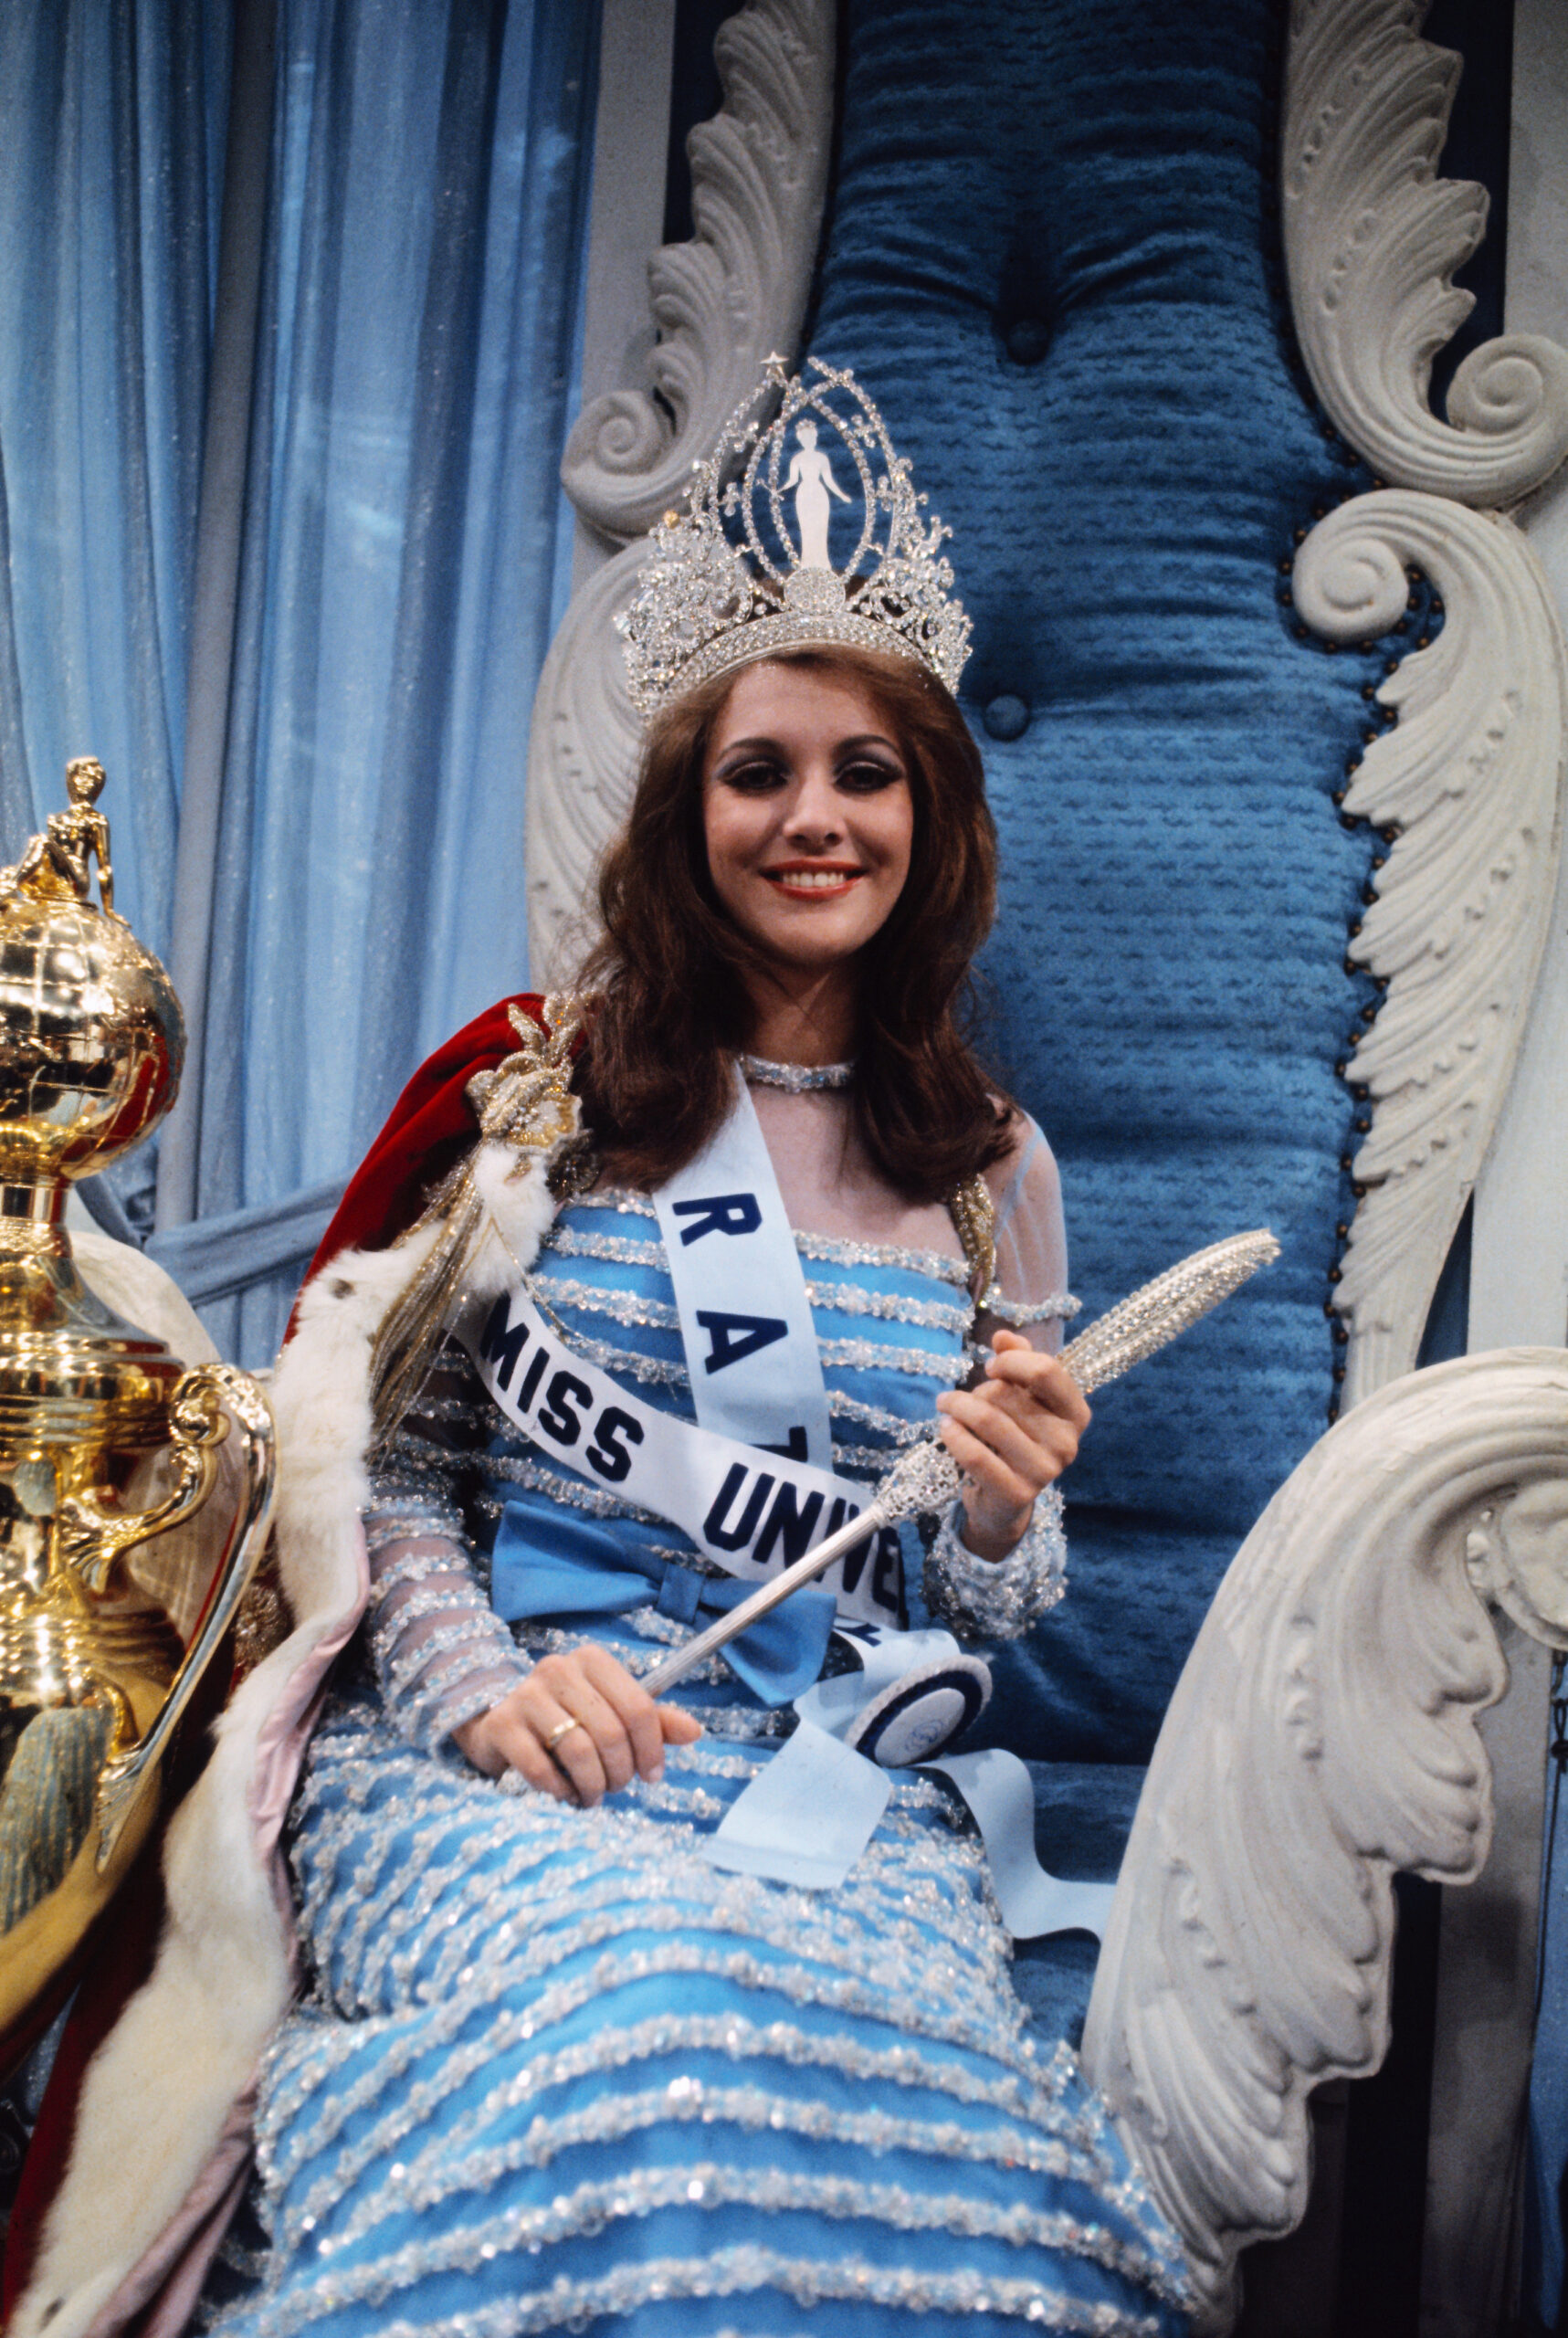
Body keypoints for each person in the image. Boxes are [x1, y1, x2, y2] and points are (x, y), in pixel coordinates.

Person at [181, 366, 1192, 2338]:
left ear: (933, 815)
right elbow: (371, 1471)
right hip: (507, 1768)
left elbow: (981, 1598)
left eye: (866, 772)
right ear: (687, 812)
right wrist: (484, 1692)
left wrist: (997, 1511)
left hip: (815, 1780)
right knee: (642, 2014)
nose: (814, 816)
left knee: (927, 2116)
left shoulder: (995, 1168)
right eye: (759, 771)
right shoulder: (539, 1095)